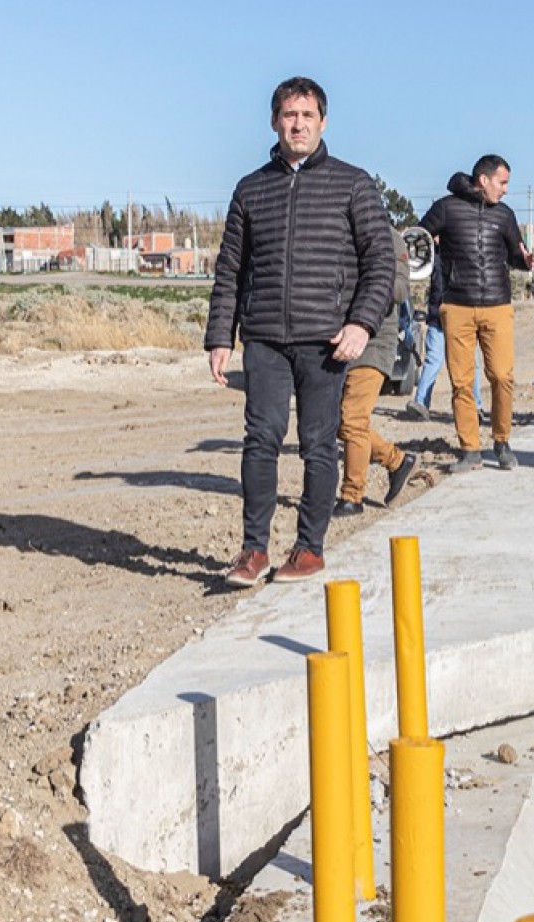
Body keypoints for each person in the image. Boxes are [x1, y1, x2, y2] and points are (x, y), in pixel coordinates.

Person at [205, 76, 394, 587]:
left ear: (323, 122)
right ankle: (253, 550)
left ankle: (309, 549)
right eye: (290, 115)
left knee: (317, 442)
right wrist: (220, 335)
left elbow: (382, 262)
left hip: (325, 339)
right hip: (264, 335)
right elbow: (230, 270)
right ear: (274, 121)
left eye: (308, 116)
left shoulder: (352, 183)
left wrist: (361, 323)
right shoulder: (251, 188)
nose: (298, 124)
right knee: (260, 438)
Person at [419, 154, 532, 473]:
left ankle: (502, 440)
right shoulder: (445, 208)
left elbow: (516, 254)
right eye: (503, 182)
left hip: (497, 305)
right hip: (456, 306)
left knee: (502, 375)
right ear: (484, 180)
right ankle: (470, 449)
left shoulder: (505, 215)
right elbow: (417, 242)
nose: (506, 190)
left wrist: (525, 260)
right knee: (462, 382)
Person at [334, 219, 421, 516]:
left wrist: (363, 283)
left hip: (374, 339)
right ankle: (397, 461)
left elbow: (399, 290)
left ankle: (352, 495)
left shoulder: (390, 238)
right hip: (338, 340)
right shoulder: (336, 235)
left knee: (353, 418)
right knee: (335, 422)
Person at [404, 255, 482, 420]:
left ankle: (474, 406)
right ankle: (421, 404)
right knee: (433, 360)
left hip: (461, 319)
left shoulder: (460, 253)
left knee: (469, 362)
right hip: (438, 319)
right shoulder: (437, 256)